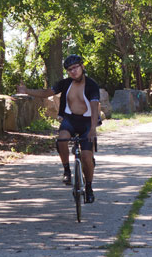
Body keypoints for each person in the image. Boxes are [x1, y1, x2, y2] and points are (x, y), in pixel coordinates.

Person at [17, 54, 100, 203]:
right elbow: (45, 93)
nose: (73, 71)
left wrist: (93, 129)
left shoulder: (91, 85)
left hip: (87, 122)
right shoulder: (65, 83)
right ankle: (67, 169)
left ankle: (88, 187)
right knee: (61, 139)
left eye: (75, 68)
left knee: (87, 157)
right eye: (70, 69)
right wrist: (26, 91)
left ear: (82, 67)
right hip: (70, 119)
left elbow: (94, 108)